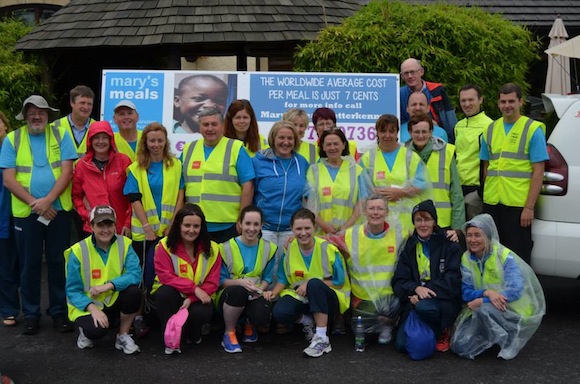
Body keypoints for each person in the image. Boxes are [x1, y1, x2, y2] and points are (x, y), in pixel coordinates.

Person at [0, 95, 78, 335]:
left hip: (58, 212)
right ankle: (31, 313)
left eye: (41, 112)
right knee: (29, 264)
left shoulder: (61, 135)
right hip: (27, 213)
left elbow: (67, 173)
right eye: (31, 112)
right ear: (25, 115)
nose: (36, 116)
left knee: (57, 262)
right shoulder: (13, 139)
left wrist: (47, 201)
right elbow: (8, 179)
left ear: (48, 115)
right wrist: (38, 203)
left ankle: (58, 312)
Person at [451, 214, 545, 360]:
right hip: (483, 307)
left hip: (513, 310)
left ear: (488, 237)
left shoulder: (504, 256)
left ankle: (510, 333)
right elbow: (465, 292)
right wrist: (487, 293)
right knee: (460, 346)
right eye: (469, 235)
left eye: (478, 235)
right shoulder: (467, 258)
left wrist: (482, 301)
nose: (472, 240)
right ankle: (491, 334)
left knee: (483, 310)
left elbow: (515, 291)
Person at [264, 208, 350, 358]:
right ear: (292, 229)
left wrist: (309, 284)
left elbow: (339, 281)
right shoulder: (289, 249)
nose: (303, 233)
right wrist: (273, 293)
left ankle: (322, 338)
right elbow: (283, 278)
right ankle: (307, 321)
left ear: (314, 228)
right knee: (279, 312)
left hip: (329, 299)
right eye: (298, 229)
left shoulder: (328, 249)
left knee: (315, 284)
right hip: (302, 297)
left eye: (307, 228)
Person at [480, 83, 548, 264]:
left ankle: (521, 293)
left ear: (520, 102)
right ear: (498, 103)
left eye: (511, 101)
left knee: (518, 258)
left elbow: (538, 171)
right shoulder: (490, 129)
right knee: (492, 255)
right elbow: (487, 167)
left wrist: (529, 207)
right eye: (503, 101)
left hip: (518, 205)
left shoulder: (532, 129)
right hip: (492, 202)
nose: (507, 105)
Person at [65, 205, 142, 354]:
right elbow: (72, 291)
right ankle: (84, 332)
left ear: (115, 225)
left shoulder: (125, 244)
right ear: (91, 226)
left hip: (111, 298)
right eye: (100, 225)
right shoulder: (78, 250)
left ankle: (123, 336)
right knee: (96, 331)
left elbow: (135, 274)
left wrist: (109, 286)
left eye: (109, 224)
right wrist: (92, 308)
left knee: (134, 293)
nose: (105, 230)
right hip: (87, 305)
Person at [331, 195, 405, 345]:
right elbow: (327, 240)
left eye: (380, 208)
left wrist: (451, 234)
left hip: (389, 297)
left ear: (387, 212)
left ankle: (388, 324)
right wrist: (296, 239)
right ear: (364, 211)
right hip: (362, 297)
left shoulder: (399, 233)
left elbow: (423, 235)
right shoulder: (351, 234)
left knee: (388, 311)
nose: (375, 212)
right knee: (363, 331)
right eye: (371, 208)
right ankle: (378, 322)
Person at [392, 200, 462, 354]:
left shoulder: (449, 244)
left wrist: (424, 292)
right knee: (401, 345)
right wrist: (414, 289)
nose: (423, 225)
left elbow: (453, 281)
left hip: (441, 301)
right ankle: (429, 332)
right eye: (418, 220)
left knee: (424, 307)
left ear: (434, 222)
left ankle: (444, 329)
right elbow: (398, 281)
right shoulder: (409, 246)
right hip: (415, 301)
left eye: (427, 219)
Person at [151, 204, 222, 353]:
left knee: (201, 313)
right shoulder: (164, 246)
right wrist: (193, 289)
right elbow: (166, 276)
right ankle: (170, 337)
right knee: (164, 295)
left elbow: (213, 282)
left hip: (199, 298)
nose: (191, 230)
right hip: (174, 294)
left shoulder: (214, 249)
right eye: (187, 225)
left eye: (196, 226)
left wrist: (191, 298)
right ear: (179, 225)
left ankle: (193, 332)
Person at [181, 107, 254, 243]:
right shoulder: (188, 150)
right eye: (205, 124)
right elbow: (180, 188)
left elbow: (248, 186)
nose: (210, 128)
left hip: (228, 225)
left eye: (214, 124)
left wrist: (242, 220)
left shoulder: (236, 148)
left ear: (222, 126)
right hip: (195, 226)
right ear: (199, 127)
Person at [252, 120, 309, 282]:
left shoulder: (302, 163)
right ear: (273, 139)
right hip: (265, 228)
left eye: (290, 138)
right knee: (264, 273)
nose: (286, 142)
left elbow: (306, 196)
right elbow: (250, 191)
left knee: (287, 273)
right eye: (281, 138)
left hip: (290, 230)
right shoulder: (258, 162)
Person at [217, 205, 277, 353]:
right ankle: (229, 333)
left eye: (256, 224)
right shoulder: (224, 248)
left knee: (262, 315)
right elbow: (220, 281)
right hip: (230, 294)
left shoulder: (270, 248)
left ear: (261, 225)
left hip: (255, 293)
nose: (251, 228)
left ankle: (249, 324)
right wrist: (239, 282)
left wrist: (260, 290)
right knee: (238, 291)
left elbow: (268, 278)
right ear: (240, 224)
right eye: (248, 223)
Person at [359, 114, 429, 234]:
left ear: (397, 132)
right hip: (377, 223)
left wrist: (401, 192)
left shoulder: (410, 156)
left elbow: (422, 184)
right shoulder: (367, 158)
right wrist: (375, 194)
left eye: (391, 131)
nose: (387, 135)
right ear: (377, 133)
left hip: (407, 223)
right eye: (383, 131)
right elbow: (362, 190)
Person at [72, 121, 132, 238]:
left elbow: (132, 196)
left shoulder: (124, 161)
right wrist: (87, 215)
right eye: (96, 138)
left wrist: (128, 223)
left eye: (105, 138)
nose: (100, 142)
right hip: (93, 228)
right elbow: (76, 196)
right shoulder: (82, 166)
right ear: (90, 140)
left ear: (111, 140)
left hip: (120, 228)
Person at [406, 112, 465, 231]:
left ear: (431, 132)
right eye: (417, 132)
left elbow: (456, 193)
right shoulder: (403, 154)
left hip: (441, 222)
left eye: (424, 132)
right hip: (412, 223)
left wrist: (457, 228)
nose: (421, 135)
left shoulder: (446, 152)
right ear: (410, 133)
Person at [306, 128, 370, 235]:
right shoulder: (313, 170)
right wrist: (325, 226)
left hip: (349, 233)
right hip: (320, 233)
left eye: (336, 144)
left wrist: (346, 226)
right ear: (323, 147)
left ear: (344, 145)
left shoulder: (356, 170)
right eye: (328, 144)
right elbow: (309, 204)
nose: (332, 148)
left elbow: (362, 201)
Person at [454, 84, 493, 220]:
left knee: (475, 234)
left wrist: (482, 191)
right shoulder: (458, 125)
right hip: (458, 188)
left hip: (476, 189)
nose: (467, 104)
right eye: (463, 101)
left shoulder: (490, 126)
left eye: (471, 100)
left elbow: (491, 162)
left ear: (480, 100)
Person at [399, 58, 457, 142]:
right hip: (408, 138)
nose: (410, 76)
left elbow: (449, 119)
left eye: (412, 72)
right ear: (402, 76)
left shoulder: (437, 91)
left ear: (421, 72)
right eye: (406, 73)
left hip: (436, 137)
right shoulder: (399, 94)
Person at [0, 112, 19, 328]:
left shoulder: (15, 146)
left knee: (22, 264)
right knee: (5, 266)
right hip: (3, 216)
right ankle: (9, 309)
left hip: (21, 212)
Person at [51, 85, 96, 158]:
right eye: (82, 103)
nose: (86, 107)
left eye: (89, 104)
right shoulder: (55, 127)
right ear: (72, 103)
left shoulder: (97, 127)